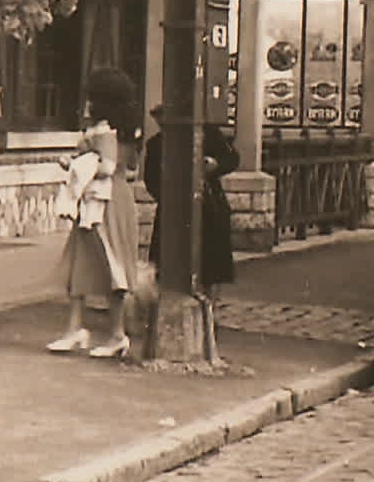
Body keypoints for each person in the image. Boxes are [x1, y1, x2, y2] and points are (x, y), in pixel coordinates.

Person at [47, 68, 143, 358]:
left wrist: (74, 165)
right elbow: (132, 169)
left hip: (104, 203)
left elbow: (107, 167)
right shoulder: (129, 130)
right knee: (87, 261)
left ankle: (112, 334)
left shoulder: (103, 130)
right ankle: (82, 330)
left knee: (106, 263)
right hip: (115, 199)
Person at [143, 104, 240, 291]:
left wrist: (215, 164)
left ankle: (209, 310)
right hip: (172, 213)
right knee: (168, 264)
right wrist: (169, 197)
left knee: (210, 269)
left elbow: (232, 158)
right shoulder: (156, 144)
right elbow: (151, 180)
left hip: (209, 207)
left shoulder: (208, 134)